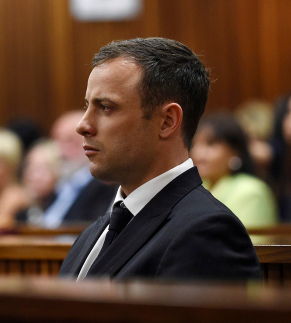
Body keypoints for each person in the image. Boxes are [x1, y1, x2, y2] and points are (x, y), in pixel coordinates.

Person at [59, 37, 261, 281]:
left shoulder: (206, 233)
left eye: (105, 107)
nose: (83, 126)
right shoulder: (96, 231)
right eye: (87, 106)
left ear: (167, 121)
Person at [190, 112, 277, 228]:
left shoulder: (252, 191)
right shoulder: (194, 189)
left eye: (211, 144)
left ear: (235, 151)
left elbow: (251, 244)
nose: (197, 154)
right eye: (194, 144)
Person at [39, 111, 117, 228]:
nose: (60, 151)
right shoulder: (60, 183)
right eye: (57, 140)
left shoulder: (105, 183)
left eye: (70, 140)